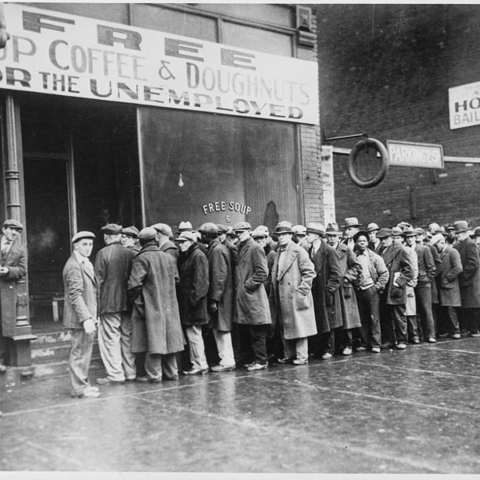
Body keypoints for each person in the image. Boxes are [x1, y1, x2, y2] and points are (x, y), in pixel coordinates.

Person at [128, 227, 184, 382]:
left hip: (150, 306)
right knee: (169, 340)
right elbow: (176, 280)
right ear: (155, 240)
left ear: (141, 242)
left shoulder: (142, 258)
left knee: (152, 340)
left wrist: (136, 301)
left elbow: (134, 285)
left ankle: (155, 375)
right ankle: (172, 373)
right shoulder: (168, 258)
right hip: (169, 306)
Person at [95, 224, 137, 385]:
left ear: (106, 237)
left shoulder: (103, 253)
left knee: (111, 339)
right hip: (128, 303)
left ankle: (115, 374)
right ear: (119, 236)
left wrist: (96, 307)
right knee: (127, 337)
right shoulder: (131, 253)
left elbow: (98, 282)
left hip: (109, 303)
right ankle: (130, 372)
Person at [270, 221, 316, 365]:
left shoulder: (299, 251)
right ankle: (288, 354)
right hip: (282, 293)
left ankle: (302, 356)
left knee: (299, 325)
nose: (281, 237)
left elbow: (310, 272)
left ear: (290, 235)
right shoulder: (278, 252)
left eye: (284, 234)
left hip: (295, 294)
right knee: (285, 324)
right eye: (279, 235)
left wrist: (301, 292)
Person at [63, 231, 100, 398]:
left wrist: (93, 315)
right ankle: (79, 388)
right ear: (75, 246)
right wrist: (86, 318)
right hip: (80, 318)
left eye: (90, 244)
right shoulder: (74, 265)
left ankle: (83, 385)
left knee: (84, 352)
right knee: (79, 352)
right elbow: (75, 295)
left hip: (86, 316)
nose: (88, 248)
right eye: (84, 244)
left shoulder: (83, 263)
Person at [233, 221, 272, 372]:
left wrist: (247, 286)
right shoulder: (241, 247)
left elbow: (263, 272)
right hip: (247, 297)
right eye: (237, 233)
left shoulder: (255, 248)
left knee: (257, 331)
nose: (239, 235)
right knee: (251, 330)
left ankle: (261, 361)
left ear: (249, 232)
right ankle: (257, 359)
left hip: (253, 296)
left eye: (242, 232)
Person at [199, 223, 236, 372]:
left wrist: (214, 299)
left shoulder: (217, 250)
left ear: (208, 236)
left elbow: (219, 277)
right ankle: (226, 359)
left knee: (222, 329)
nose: (200, 237)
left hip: (220, 298)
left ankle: (227, 361)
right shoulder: (217, 248)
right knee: (220, 328)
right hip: (221, 296)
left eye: (202, 234)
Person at [305, 222, 341, 359]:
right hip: (315, 292)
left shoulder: (329, 251)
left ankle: (329, 349)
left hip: (325, 293)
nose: (307, 236)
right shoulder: (310, 250)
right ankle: (319, 348)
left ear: (317, 236)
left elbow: (336, 274)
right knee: (319, 320)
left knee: (329, 322)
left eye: (309, 234)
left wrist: (328, 291)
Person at [325, 222, 362, 356]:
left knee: (347, 319)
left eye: (334, 236)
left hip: (345, 288)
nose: (332, 238)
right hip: (331, 288)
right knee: (331, 318)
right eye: (329, 236)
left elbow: (357, 267)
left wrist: (347, 277)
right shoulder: (324, 250)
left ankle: (348, 345)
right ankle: (330, 348)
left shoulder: (346, 250)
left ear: (339, 237)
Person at [176, 230, 210, 375]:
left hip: (194, 305)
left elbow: (201, 283)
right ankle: (197, 363)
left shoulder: (197, 256)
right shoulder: (192, 256)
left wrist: (193, 301)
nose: (180, 245)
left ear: (191, 242)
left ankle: (200, 364)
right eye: (179, 242)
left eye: (183, 242)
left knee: (194, 335)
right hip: (191, 304)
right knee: (193, 335)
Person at [377, 227, 414, 350]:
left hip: (395, 288)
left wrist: (398, 282)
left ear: (391, 238)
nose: (383, 241)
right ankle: (389, 340)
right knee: (385, 316)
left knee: (399, 316)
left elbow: (409, 271)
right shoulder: (379, 251)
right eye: (381, 239)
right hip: (383, 288)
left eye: (385, 238)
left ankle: (402, 340)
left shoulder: (400, 250)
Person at [352, 231, 389, 353]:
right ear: (356, 243)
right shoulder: (353, 257)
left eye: (364, 241)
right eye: (359, 241)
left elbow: (384, 273)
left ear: (367, 243)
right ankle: (365, 342)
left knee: (374, 318)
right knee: (362, 318)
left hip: (371, 290)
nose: (361, 243)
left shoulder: (375, 257)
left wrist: (376, 286)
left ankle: (376, 344)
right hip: (359, 290)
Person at [0, 219, 27, 372]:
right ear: (4, 229)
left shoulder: (20, 250)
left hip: (6, 291)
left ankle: (2, 359)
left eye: (17, 231)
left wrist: (8, 271)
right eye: (12, 229)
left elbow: (23, 270)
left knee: (4, 326)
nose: (14, 233)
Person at [431, 233, 462, 339]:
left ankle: (456, 330)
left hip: (450, 286)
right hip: (444, 286)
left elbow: (458, 268)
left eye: (436, 245)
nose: (436, 248)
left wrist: (447, 278)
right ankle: (449, 330)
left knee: (451, 308)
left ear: (442, 242)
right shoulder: (441, 253)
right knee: (445, 309)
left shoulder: (452, 252)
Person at [453, 220, 480, 337]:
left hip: (471, 281)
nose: (457, 235)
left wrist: (463, 275)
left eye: (459, 233)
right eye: (457, 233)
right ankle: (470, 328)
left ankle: (475, 329)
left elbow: (474, 263)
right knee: (467, 306)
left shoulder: (470, 244)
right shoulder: (458, 245)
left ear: (465, 232)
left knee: (473, 305)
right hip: (464, 280)